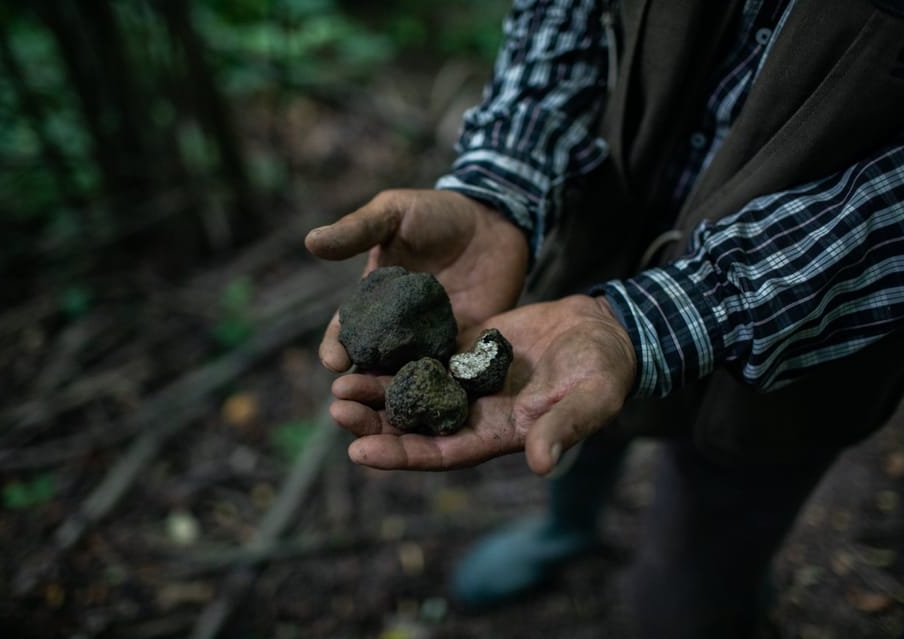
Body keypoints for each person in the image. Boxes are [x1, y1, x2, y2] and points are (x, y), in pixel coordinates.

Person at [306, 0, 904, 637]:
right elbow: (563, 15)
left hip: (812, 342)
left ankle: (711, 596)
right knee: (569, 426)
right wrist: (501, 184)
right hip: (597, 254)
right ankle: (567, 528)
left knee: (692, 594)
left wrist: (650, 321)